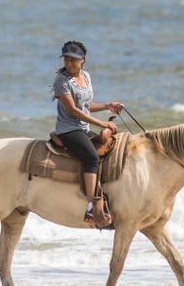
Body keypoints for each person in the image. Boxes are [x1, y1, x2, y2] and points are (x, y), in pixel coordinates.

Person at [52, 40, 124, 228]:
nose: (69, 63)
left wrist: (107, 105)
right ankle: (91, 205)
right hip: (69, 129)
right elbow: (74, 111)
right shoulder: (62, 81)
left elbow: (86, 106)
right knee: (91, 158)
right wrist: (101, 123)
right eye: (66, 59)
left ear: (82, 60)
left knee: (109, 148)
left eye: (73, 60)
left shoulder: (86, 76)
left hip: (83, 127)